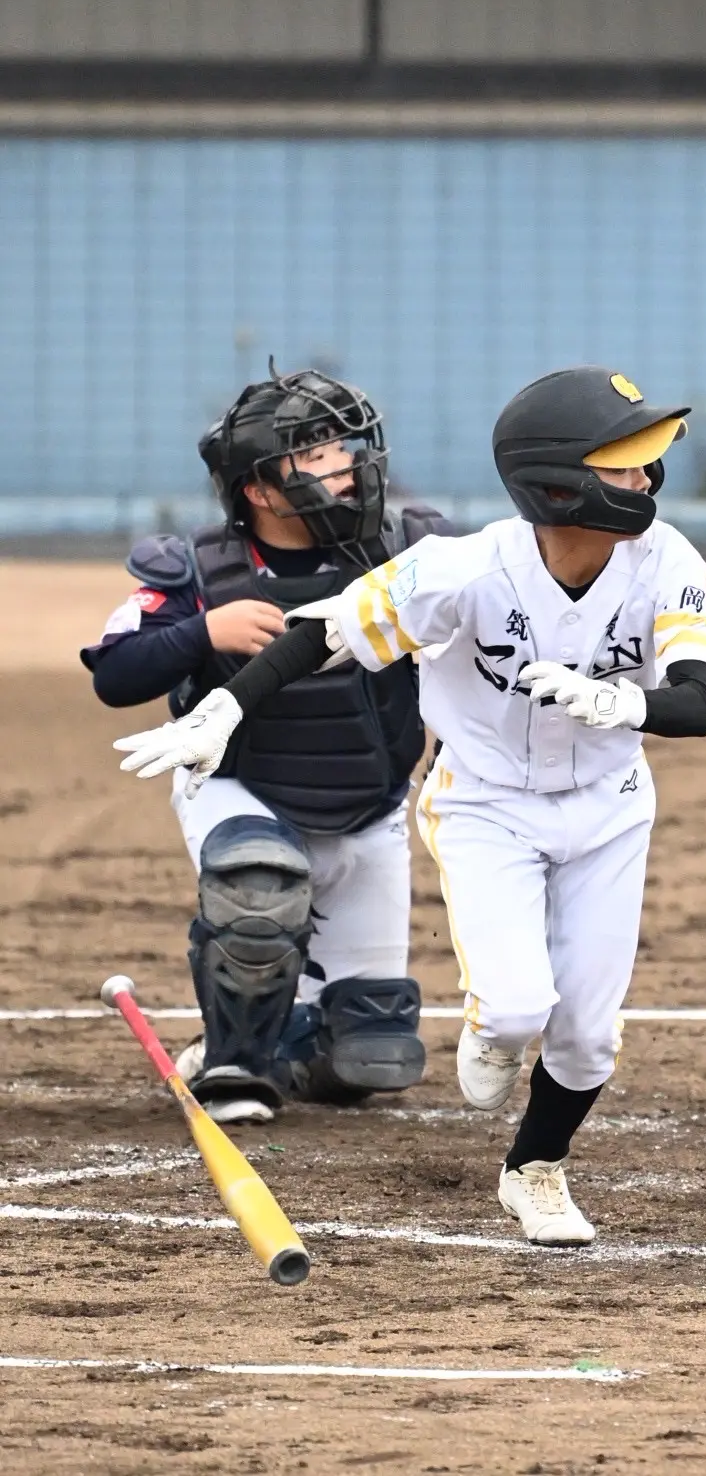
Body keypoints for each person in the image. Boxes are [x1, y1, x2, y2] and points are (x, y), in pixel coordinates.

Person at [114, 367, 706, 1242]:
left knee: (588, 1036)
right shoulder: (463, 570)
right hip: (487, 806)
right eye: (620, 464)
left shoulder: (669, 561)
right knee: (516, 1008)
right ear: (558, 482)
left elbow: (697, 702)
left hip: (611, 806)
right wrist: (226, 709)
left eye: (645, 462)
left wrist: (620, 701)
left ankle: (534, 1172)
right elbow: (325, 631)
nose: (646, 480)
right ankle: (492, 1025)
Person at [84, 361, 446, 1123]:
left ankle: (281, 1040)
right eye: (315, 454)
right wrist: (201, 632)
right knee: (258, 888)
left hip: (370, 806)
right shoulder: (196, 566)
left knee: (370, 1055)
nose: (346, 466)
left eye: (344, 447)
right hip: (240, 788)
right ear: (259, 488)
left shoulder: (411, 551)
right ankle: (235, 1064)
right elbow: (115, 675)